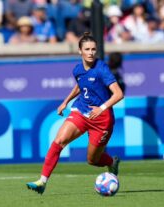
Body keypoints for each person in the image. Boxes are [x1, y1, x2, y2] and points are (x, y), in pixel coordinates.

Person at [26, 32, 124, 194]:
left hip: (101, 119)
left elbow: (118, 94)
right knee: (59, 141)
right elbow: (80, 85)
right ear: (80, 51)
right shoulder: (78, 70)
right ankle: (42, 181)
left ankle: (111, 161)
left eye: (93, 49)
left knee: (92, 160)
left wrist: (101, 108)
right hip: (81, 110)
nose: (91, 52)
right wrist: (65, 101)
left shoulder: (102, 69)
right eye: (87, 49)